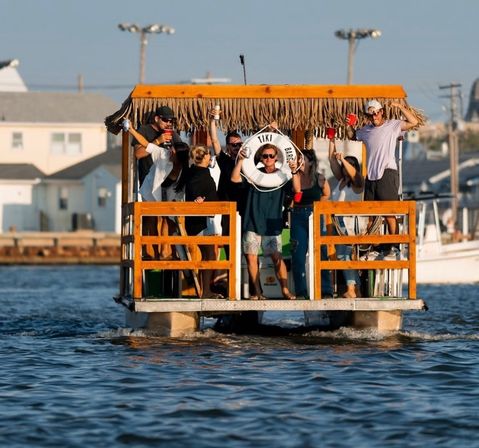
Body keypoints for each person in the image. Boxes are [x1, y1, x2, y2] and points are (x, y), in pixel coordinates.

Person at [349, 100, 418, 257]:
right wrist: (350, 124)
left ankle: (394, 246)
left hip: (387, 172)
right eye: (370, 114)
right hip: (371, 176)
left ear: (381, 112)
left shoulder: (392, 126)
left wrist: (401, 107)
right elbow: (353, 135)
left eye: (376, 113)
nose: (374, 116)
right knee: (371, 214)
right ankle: (375, 246)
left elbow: (413, 122)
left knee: (389, 213)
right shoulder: (366, 130)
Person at [231, 142, 297, 300]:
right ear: (260, 157)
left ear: (276, 158)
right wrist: (240, 160)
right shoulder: (253, 174)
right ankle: (258, 292)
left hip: (271, 224)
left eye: (271, 156)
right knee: (251, 258)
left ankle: (285, 290)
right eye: (265, 156)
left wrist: (294, 171)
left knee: (277, 257)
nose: (268, 158)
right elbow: (234, 179)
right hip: (252, 221)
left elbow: (297, 190)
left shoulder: (283, 175)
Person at [130, 106, 184, 259]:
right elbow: (139, 154)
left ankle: (166, 252)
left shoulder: (172, 134)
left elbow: (181, 153)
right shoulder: (145, 130)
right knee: (151, 218)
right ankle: (150, 253)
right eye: (166, 120)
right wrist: (158, 141)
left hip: (168, 182)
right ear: (156, 119)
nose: (169, 123)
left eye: (171, 121)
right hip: (149, 180)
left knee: (168, 217)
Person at [175, 145, 223, 299]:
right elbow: (195, 190)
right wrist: (199, 198)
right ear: (204, 157)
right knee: (209, 255)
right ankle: (206, 292)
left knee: (208, 255)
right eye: (209, 154)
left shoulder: (192, 171)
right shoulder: (199, 173)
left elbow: (183, 187)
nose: (211, 157)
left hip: (200, 220)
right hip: (198, 222)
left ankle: (205, 290)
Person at [290, 149, 333, 299]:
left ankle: (326, 289)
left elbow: (327, 193)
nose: (300, 161)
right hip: (297, 215)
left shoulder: (319, 178)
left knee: (320, 252)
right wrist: (294, 171)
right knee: (298, 254)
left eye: (303, 159)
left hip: (314, 215)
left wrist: (316, 206)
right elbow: (296, 193)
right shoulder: (294, 176)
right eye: (298, 158)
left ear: (311, 162)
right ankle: (301, 291)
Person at [328, 138, 365, 298]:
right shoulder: (341, 181)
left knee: (344, 255)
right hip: (337, 222)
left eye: (348, 165)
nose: (344, 168)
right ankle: (355, 288)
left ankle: (352, 289)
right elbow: (331, 161)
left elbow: (354, 174)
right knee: (340, 255)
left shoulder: (358, 183)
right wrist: (331, 140)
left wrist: (343, 158)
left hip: (351, 223)